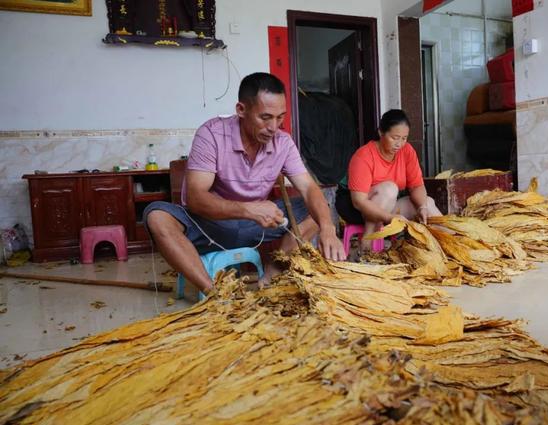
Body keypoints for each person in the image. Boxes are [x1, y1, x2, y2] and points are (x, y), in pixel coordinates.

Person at [144, 72, 345, 294]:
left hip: (258, 226)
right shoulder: (211, 134)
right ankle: (213, 292)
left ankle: (274, 271)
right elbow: (195, 198)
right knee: (157, 216)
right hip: (211, 223)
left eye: (280, 117)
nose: (274, 127)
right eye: (265, 117)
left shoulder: (283, 142)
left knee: (318, 209)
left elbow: (308, 188)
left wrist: (328, 228)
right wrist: (249, 209)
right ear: (241, 110)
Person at [335, 109, 442, 250]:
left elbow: (416, 186)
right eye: (395, 138)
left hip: (388, 206)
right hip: (355, 208)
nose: (399, 144)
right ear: (381, 132)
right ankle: (367, 244)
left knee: (427, 203)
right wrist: (389, 218)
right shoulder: (364, 155)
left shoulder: (407, 151)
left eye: (404, 138)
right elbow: (358, 201)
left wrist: (422, 207)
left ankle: (457, 244)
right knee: (389, 189)